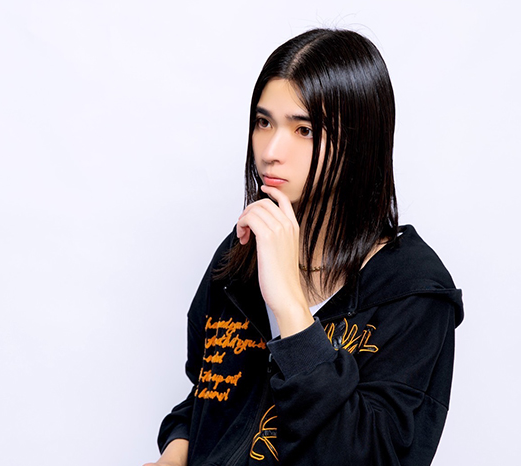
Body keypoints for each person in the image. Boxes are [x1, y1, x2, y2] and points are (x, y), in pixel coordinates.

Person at [144, 28, 464, 466]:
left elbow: (370, 455)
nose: (271, 151)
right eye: (264, 122)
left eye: (304, 130)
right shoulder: (243, 249)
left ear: (360, 141)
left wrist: (291, 309)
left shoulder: (413, 292)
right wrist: (174, 454)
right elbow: (207, 396)